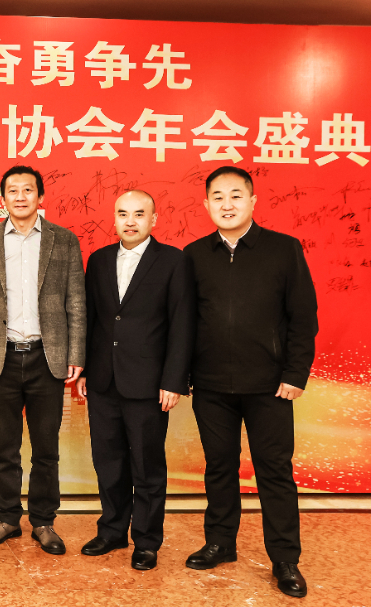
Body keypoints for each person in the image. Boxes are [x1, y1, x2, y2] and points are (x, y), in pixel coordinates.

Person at [183, 166, 317, 598]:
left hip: (270, 386)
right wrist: (183, 376)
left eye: (236, 196)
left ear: (253, 201)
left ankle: (285, 558)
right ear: (206, 204)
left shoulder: (284, 249)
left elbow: (303, 317)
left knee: (274, 472)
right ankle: (220, 542)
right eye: (218, 197)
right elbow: (184, 322)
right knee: (219, 467)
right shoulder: (194, 254)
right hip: (210, 386)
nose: (227, 204)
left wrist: (295, 374)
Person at [0, 165, 86, 554]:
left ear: (40, 196)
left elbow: (76, 301)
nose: (20, 197)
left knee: (46, 446)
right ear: (2, 199)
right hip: (0, 356)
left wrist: (75, 353)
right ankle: (7, 518)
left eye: (28, 190)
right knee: (5, 445)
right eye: (13, 191)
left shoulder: (63, 241)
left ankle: (44, 522)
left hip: (46, 357)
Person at [75, 190, 195, 570]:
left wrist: (174, 381)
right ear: (114, 218)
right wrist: (85, 369)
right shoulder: (98, 260)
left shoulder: (173, 261)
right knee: (108, 462)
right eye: (123, 214)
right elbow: (92, 319)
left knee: (146, 466)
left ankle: (146, 540)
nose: (130, 221)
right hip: (103, 381)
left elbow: (182, 324)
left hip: (149, 384)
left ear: (153, 220)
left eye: (139, 214)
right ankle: (112, 531)